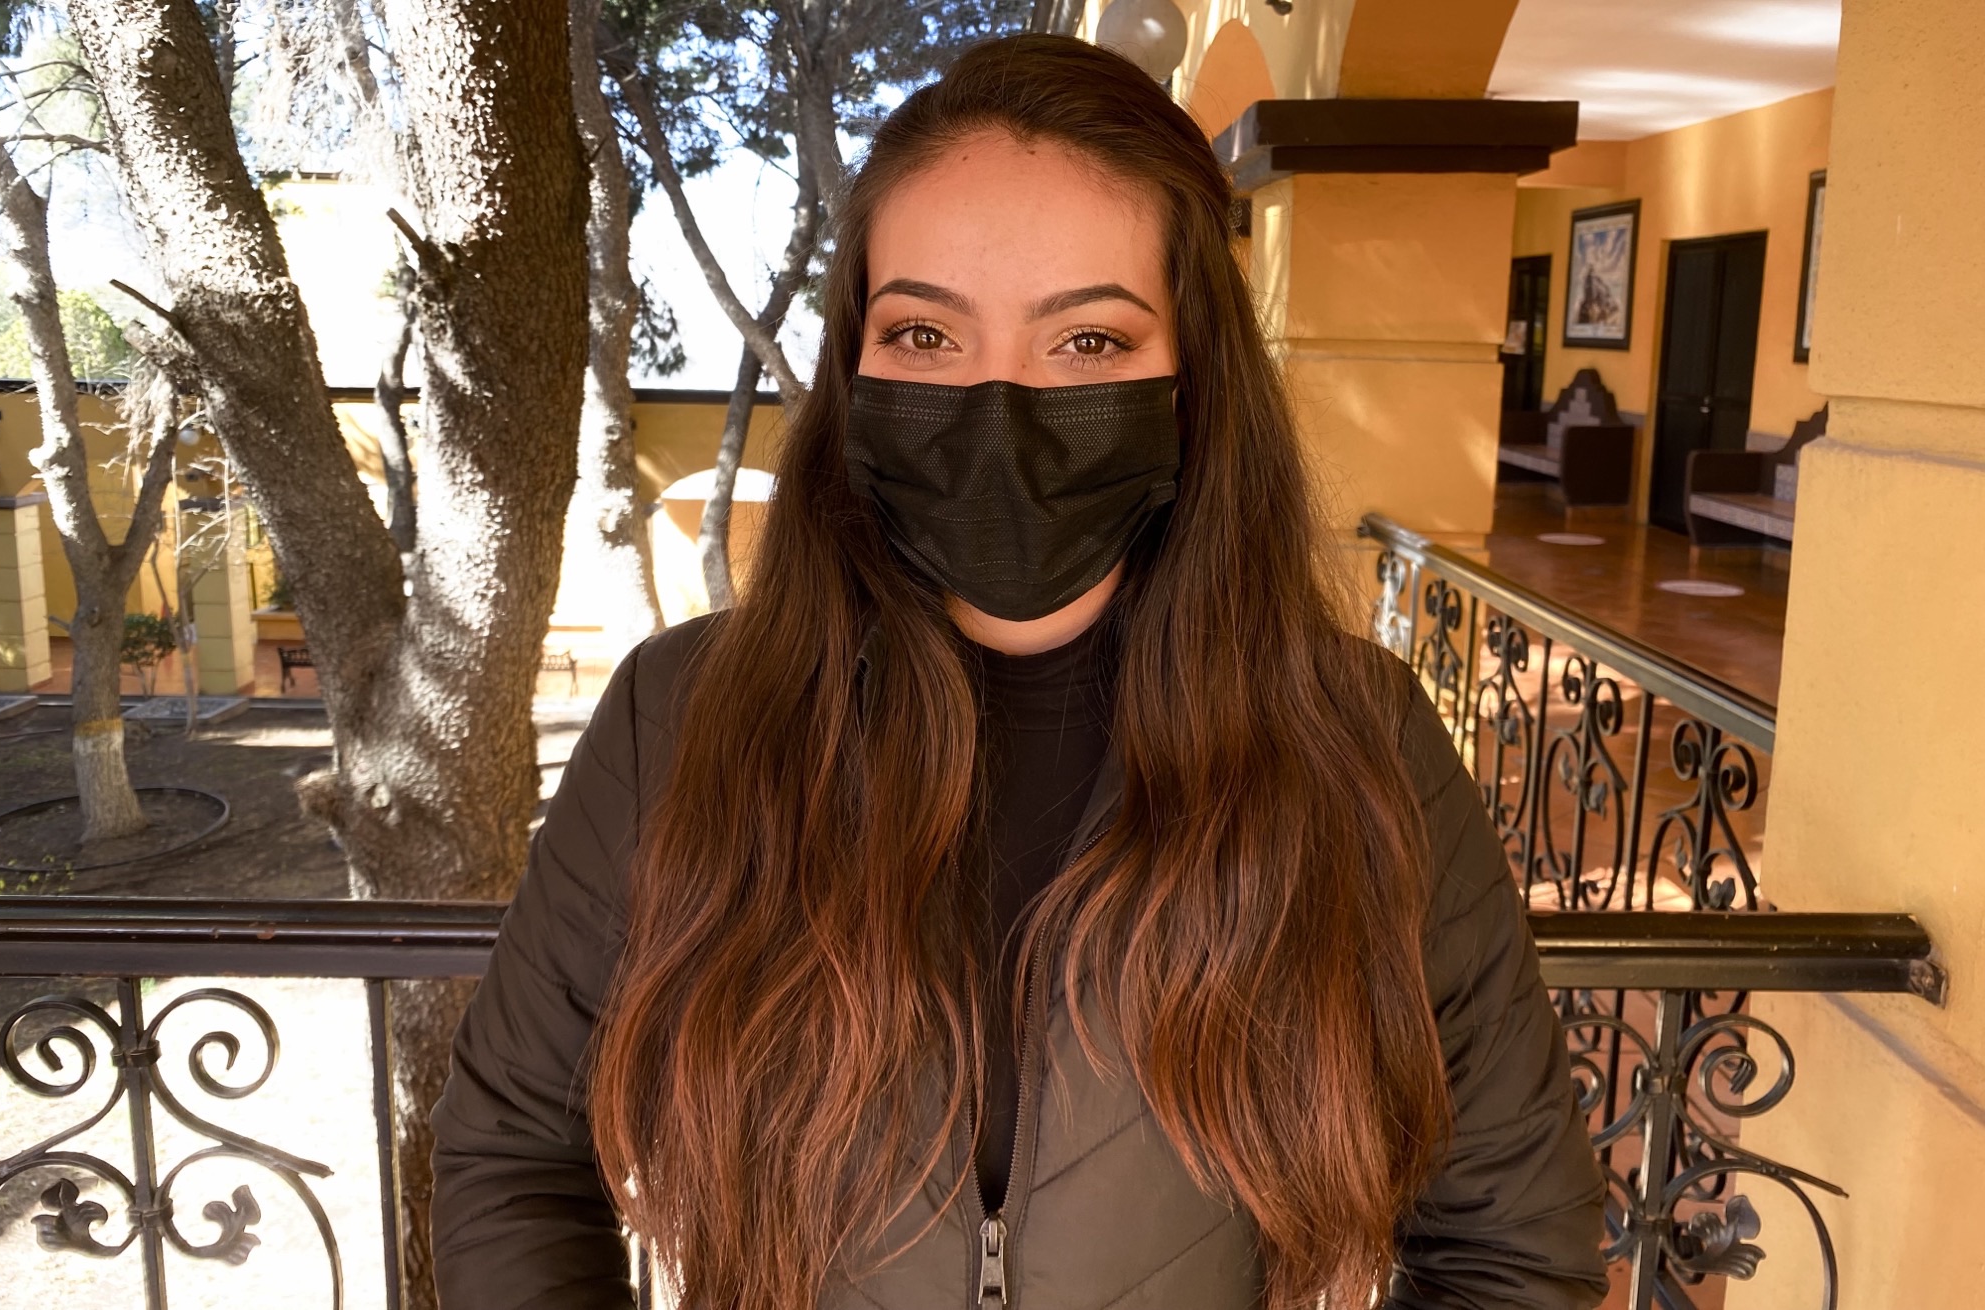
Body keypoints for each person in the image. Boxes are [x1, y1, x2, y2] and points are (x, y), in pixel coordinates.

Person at [431, 33, 1608, 1310]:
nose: (998, 403)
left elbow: (1511, 1245)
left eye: (1088, 341)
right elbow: (513, 1152)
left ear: (1193, 381)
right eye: (924, 332)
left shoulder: (1356, 741)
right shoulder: (679, 719)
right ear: (853, 366)